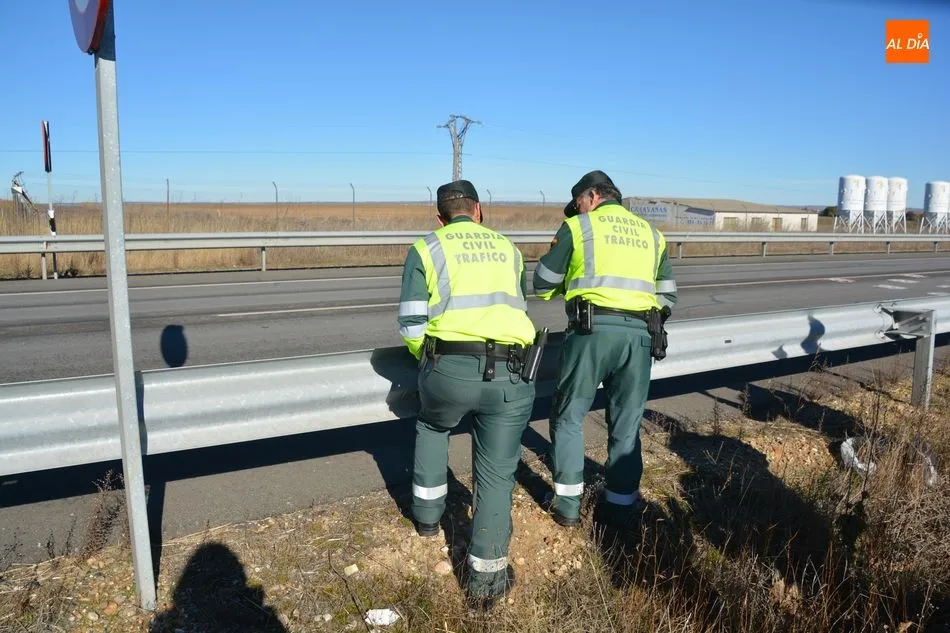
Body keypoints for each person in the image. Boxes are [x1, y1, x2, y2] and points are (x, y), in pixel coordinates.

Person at [397, 179, 544, 605]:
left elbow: (410, 325)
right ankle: (486, 588)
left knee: (431, 424)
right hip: (512, 373)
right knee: (496, 475)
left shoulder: (427, 248)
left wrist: (426, 357)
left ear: (440, 217)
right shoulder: (509, 249)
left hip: (449, 367)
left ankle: (427, 519)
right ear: (478, 210)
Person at [532, 170, 678, 527]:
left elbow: (542, 283)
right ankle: (621, 510)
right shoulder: (652, 235)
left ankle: (567, 508)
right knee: (626, 425)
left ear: (593, 196)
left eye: (578, 204)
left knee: (569, 416)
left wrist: (571, 282)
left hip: (591, 332)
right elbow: (668, 295)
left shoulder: (580, 229)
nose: (576, 211)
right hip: (641, 336)